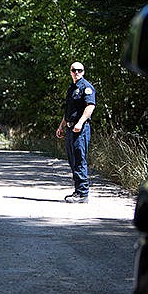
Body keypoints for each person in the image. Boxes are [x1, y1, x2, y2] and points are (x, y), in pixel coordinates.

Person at [55, 61, 96, 203]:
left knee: (79, 159)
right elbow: (68, 111)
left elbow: (90, 106)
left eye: (79, 70)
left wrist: (80, 122)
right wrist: (61, 126)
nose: (76, 72)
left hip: (81, 129)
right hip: (70, 128)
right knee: (73, 160)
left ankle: (83, 193)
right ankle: (78, 190)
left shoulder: (86, 87)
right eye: (74, 70)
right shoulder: (71, 88)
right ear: (70, 71)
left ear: (83, 72)